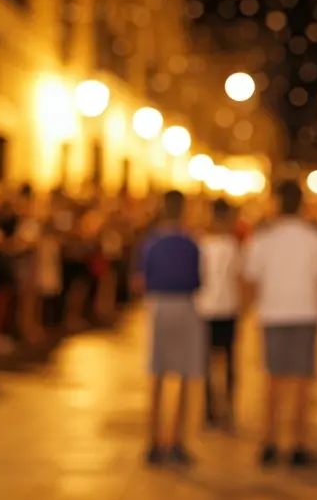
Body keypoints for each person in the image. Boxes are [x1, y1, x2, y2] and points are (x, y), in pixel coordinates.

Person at [243, 180, 317, 467]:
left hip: (274, 314)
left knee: (273, 379)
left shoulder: (263, 239)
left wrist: (253, 308)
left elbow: (251, 278)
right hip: (305, 313)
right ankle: (298, 442)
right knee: (302, 380)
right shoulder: (316, 238)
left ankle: (269, 440)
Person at [136, 190, 204, 466]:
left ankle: (153, 441)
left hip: (159, 306)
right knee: (185, 374)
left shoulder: (150, 244)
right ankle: (176, 441)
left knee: (158, 374)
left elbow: (140, 280)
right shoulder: (190, 244)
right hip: (184, 305)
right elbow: (199, 279)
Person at [195, 198, 242, 430]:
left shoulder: (203, 245)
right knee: (228, 360)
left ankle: (210, 410)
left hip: (207, 309)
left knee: (208, 361)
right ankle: (226, 408)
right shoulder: (233, 246)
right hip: (226, 308)